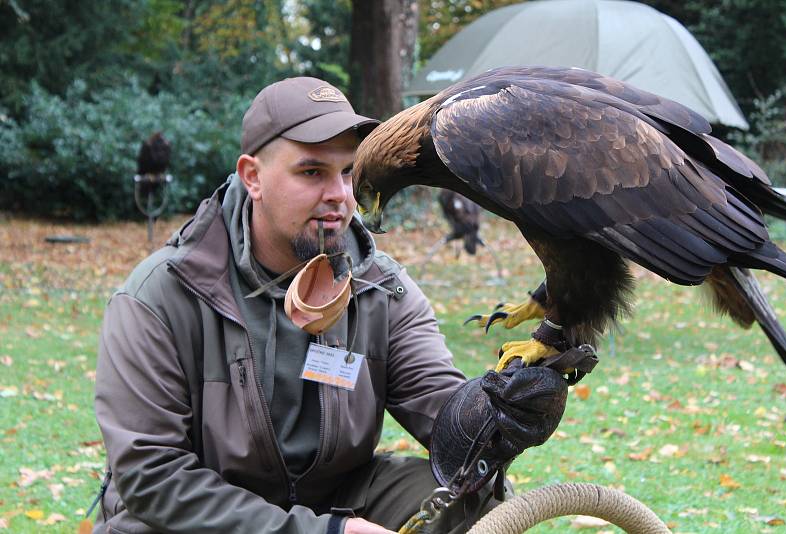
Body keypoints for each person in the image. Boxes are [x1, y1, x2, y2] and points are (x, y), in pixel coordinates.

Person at [93, 76, 574, 534]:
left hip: (334, 499)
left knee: (474, 503)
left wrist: (499, 412)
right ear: (252, 177)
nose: (339, 197)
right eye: (311, 172)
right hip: (197, 518)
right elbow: (151, 477)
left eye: (348, 171)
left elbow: (442, 411)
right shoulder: (162, 294)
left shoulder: (381, 288)